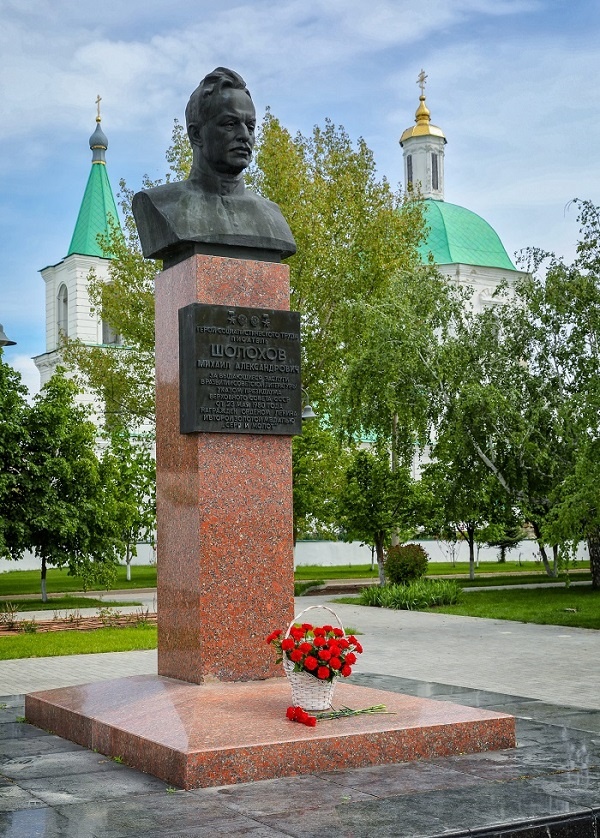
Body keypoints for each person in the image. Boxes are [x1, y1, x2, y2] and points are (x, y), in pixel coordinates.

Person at [133, 68, 296, 266]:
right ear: (196, 134)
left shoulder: (272, 216)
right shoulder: (160, 204)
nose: (245, 135)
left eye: (250, 127)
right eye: (230, 124)